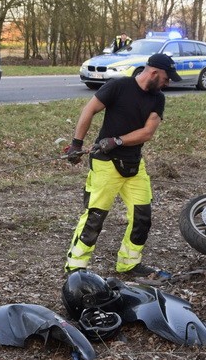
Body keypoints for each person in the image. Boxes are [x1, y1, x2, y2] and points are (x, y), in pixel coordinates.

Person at [64, 53, 181, 278]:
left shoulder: (158, 99)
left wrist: (118, 140)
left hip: (134, 165)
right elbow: (89, 110)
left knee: (142, 217)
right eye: (167, 77)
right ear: (154, 72)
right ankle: (76, 267)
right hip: (106, 164)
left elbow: (147, 132)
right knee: (95, 216)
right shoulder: (118, 86)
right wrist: (76, 144)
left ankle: (129, 263)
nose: (168, 82)